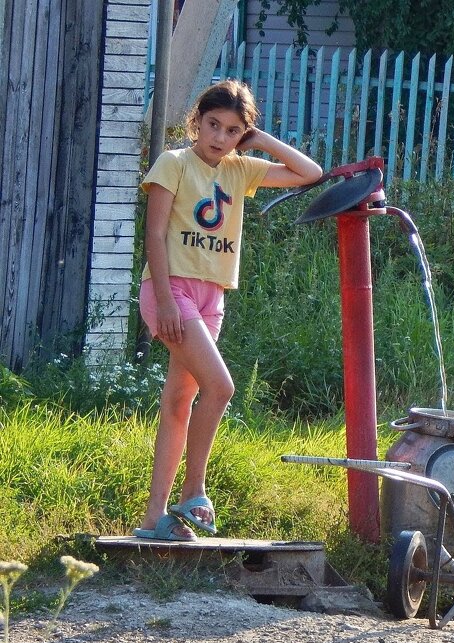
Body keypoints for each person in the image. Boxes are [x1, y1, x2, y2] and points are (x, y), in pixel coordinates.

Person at [132, 79, 323, 541]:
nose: (219, 137)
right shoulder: (174, 163)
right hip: (170, 290)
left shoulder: (240, 169)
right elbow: (154, 234)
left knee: (179, 402)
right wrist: (165, 299)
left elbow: (310, 173)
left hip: (212, 297)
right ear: (196, 122)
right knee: (220, 387)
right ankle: (193, 493)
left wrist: (260, 140)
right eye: (213, 125)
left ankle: (154, 519)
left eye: (233, 130)